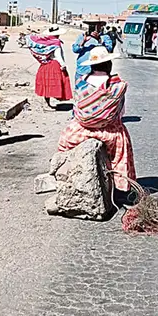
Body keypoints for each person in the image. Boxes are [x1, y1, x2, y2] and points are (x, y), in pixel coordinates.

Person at [56, 47, 136, 204]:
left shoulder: (81, 81)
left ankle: (62, 175)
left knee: (64, 145)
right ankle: (121, 189)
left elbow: (77, 107)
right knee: (121, 152)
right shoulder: (118, 86)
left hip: (80, 130)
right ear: (109, 64)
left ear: (92, 66)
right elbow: (120, 112)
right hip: (109, 132)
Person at [29, 26, 72, 108]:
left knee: (46, 85)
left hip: (45, 65)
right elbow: (58, 55)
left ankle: (47, 104)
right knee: (54, 83)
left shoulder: (46, 42)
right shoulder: (56, 43)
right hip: (54, 64)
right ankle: (49, 104)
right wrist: (63, 64)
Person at [72, 21, 114, 88]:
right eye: (91, 25)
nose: (94, 27)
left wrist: (99, 40)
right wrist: (83, 42)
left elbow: (109, 49)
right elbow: (75, 50)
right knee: (80, 90)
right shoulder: (82, 36)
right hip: (83, 69)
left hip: (99, 70)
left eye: (96, 25)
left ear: (101, 26)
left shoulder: (105, 37)